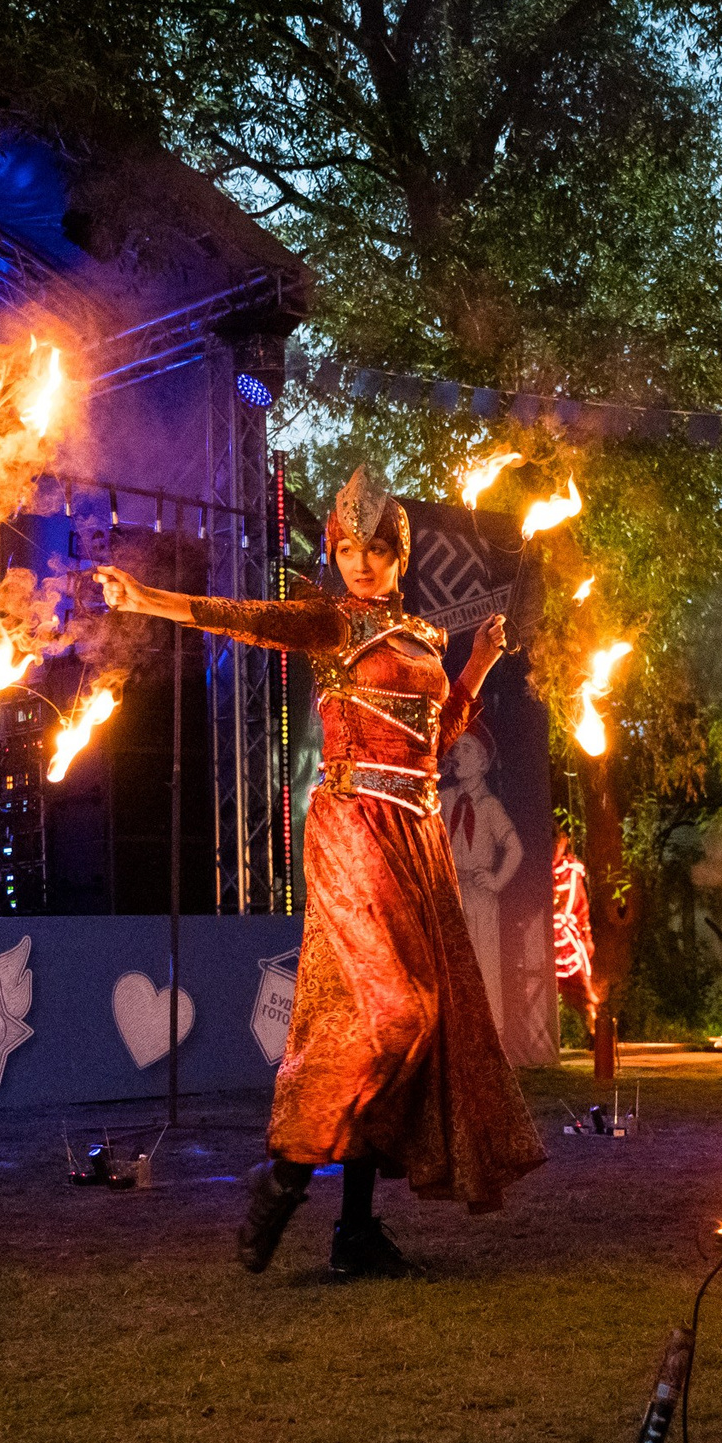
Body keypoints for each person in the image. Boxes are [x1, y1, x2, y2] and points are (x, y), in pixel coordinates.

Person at [94, 468, 545, 1277]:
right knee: (394, 1012)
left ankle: (356, 1228)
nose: (360, 563)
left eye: (375, 549)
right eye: (346, 549)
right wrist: (145, 599)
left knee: (404, 1022)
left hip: (418, 830)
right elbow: (246, 618)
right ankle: (288, 1175)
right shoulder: (331, 620)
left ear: (399, 554)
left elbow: (435, 741)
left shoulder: (426, 639)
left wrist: (477, 663)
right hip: (351, 823)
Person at [442, 726, 524, 1032]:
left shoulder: (489, 806)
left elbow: (515, 847)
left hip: (479, 893)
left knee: (484, 961)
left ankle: (490, 1033)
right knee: (452, 963)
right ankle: (455, 1031)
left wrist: (497, 879)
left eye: (467, 749)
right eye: (456, 748)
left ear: (482, 763)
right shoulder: (446, 799)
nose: (457, 755)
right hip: (452, 891)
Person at [550, 829, 599, 1038]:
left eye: (557, 844)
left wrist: (587, 937)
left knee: (585, 987)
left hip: (568, 939)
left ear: (563, 843)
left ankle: (595, 1033)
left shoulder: (572, 871)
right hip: (543, 939)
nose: (553, 849)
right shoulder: (535, 869)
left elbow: (581, 906)